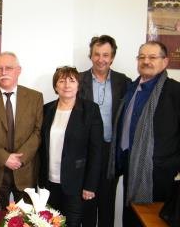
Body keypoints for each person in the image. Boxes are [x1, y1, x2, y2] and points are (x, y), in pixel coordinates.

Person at [108, 41, 180, 226]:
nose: (146, 61)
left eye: (152, 57)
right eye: (142, 57)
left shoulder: (175, 91)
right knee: (131, 217)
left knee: (152, 222)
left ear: (165, 62)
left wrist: (174, 166)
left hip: (158, 174)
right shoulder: (131, 87)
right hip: (129, 165)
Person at [0, 51, 43, 210]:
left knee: (27, 219)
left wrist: (18, 159)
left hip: (25, 170)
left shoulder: (35, 97)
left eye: (8, 68)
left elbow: (38, 132)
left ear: (19, 70)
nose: (3, 72)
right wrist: (5, 158)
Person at [39, 66, 103, 227]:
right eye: (62, 80)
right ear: (55, 86)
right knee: (52, 223)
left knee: (71, 224)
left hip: (76, 183)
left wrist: (90, 185)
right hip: (50, 182)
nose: (67, 85)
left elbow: (96, 151)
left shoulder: (90, 110)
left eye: (71, 80)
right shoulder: (47, 109)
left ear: (78, 85)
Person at [79, 35, 131, 227]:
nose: (101, 59)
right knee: (87, 201)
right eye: (97, 54)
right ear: (90, 56)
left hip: (111, 152)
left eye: (106, 55)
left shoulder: (124, 82)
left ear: (112, 57)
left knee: (108, 202)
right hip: (86, 152)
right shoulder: (78, 80)